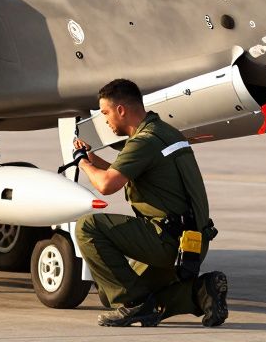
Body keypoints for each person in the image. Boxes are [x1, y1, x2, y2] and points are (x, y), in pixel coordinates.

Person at [72, 78, 229, 327]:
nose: (106, 120)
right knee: (123, 292)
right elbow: (124, 171)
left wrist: (82, 161)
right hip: (192, 243)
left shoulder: (142, 142)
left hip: (167, 242)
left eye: (106, 113)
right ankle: (200, 292)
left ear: (121, 110)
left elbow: (106, 185)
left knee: (88, 227)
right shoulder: (165, 133)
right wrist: (94, 159)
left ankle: (134, 305)